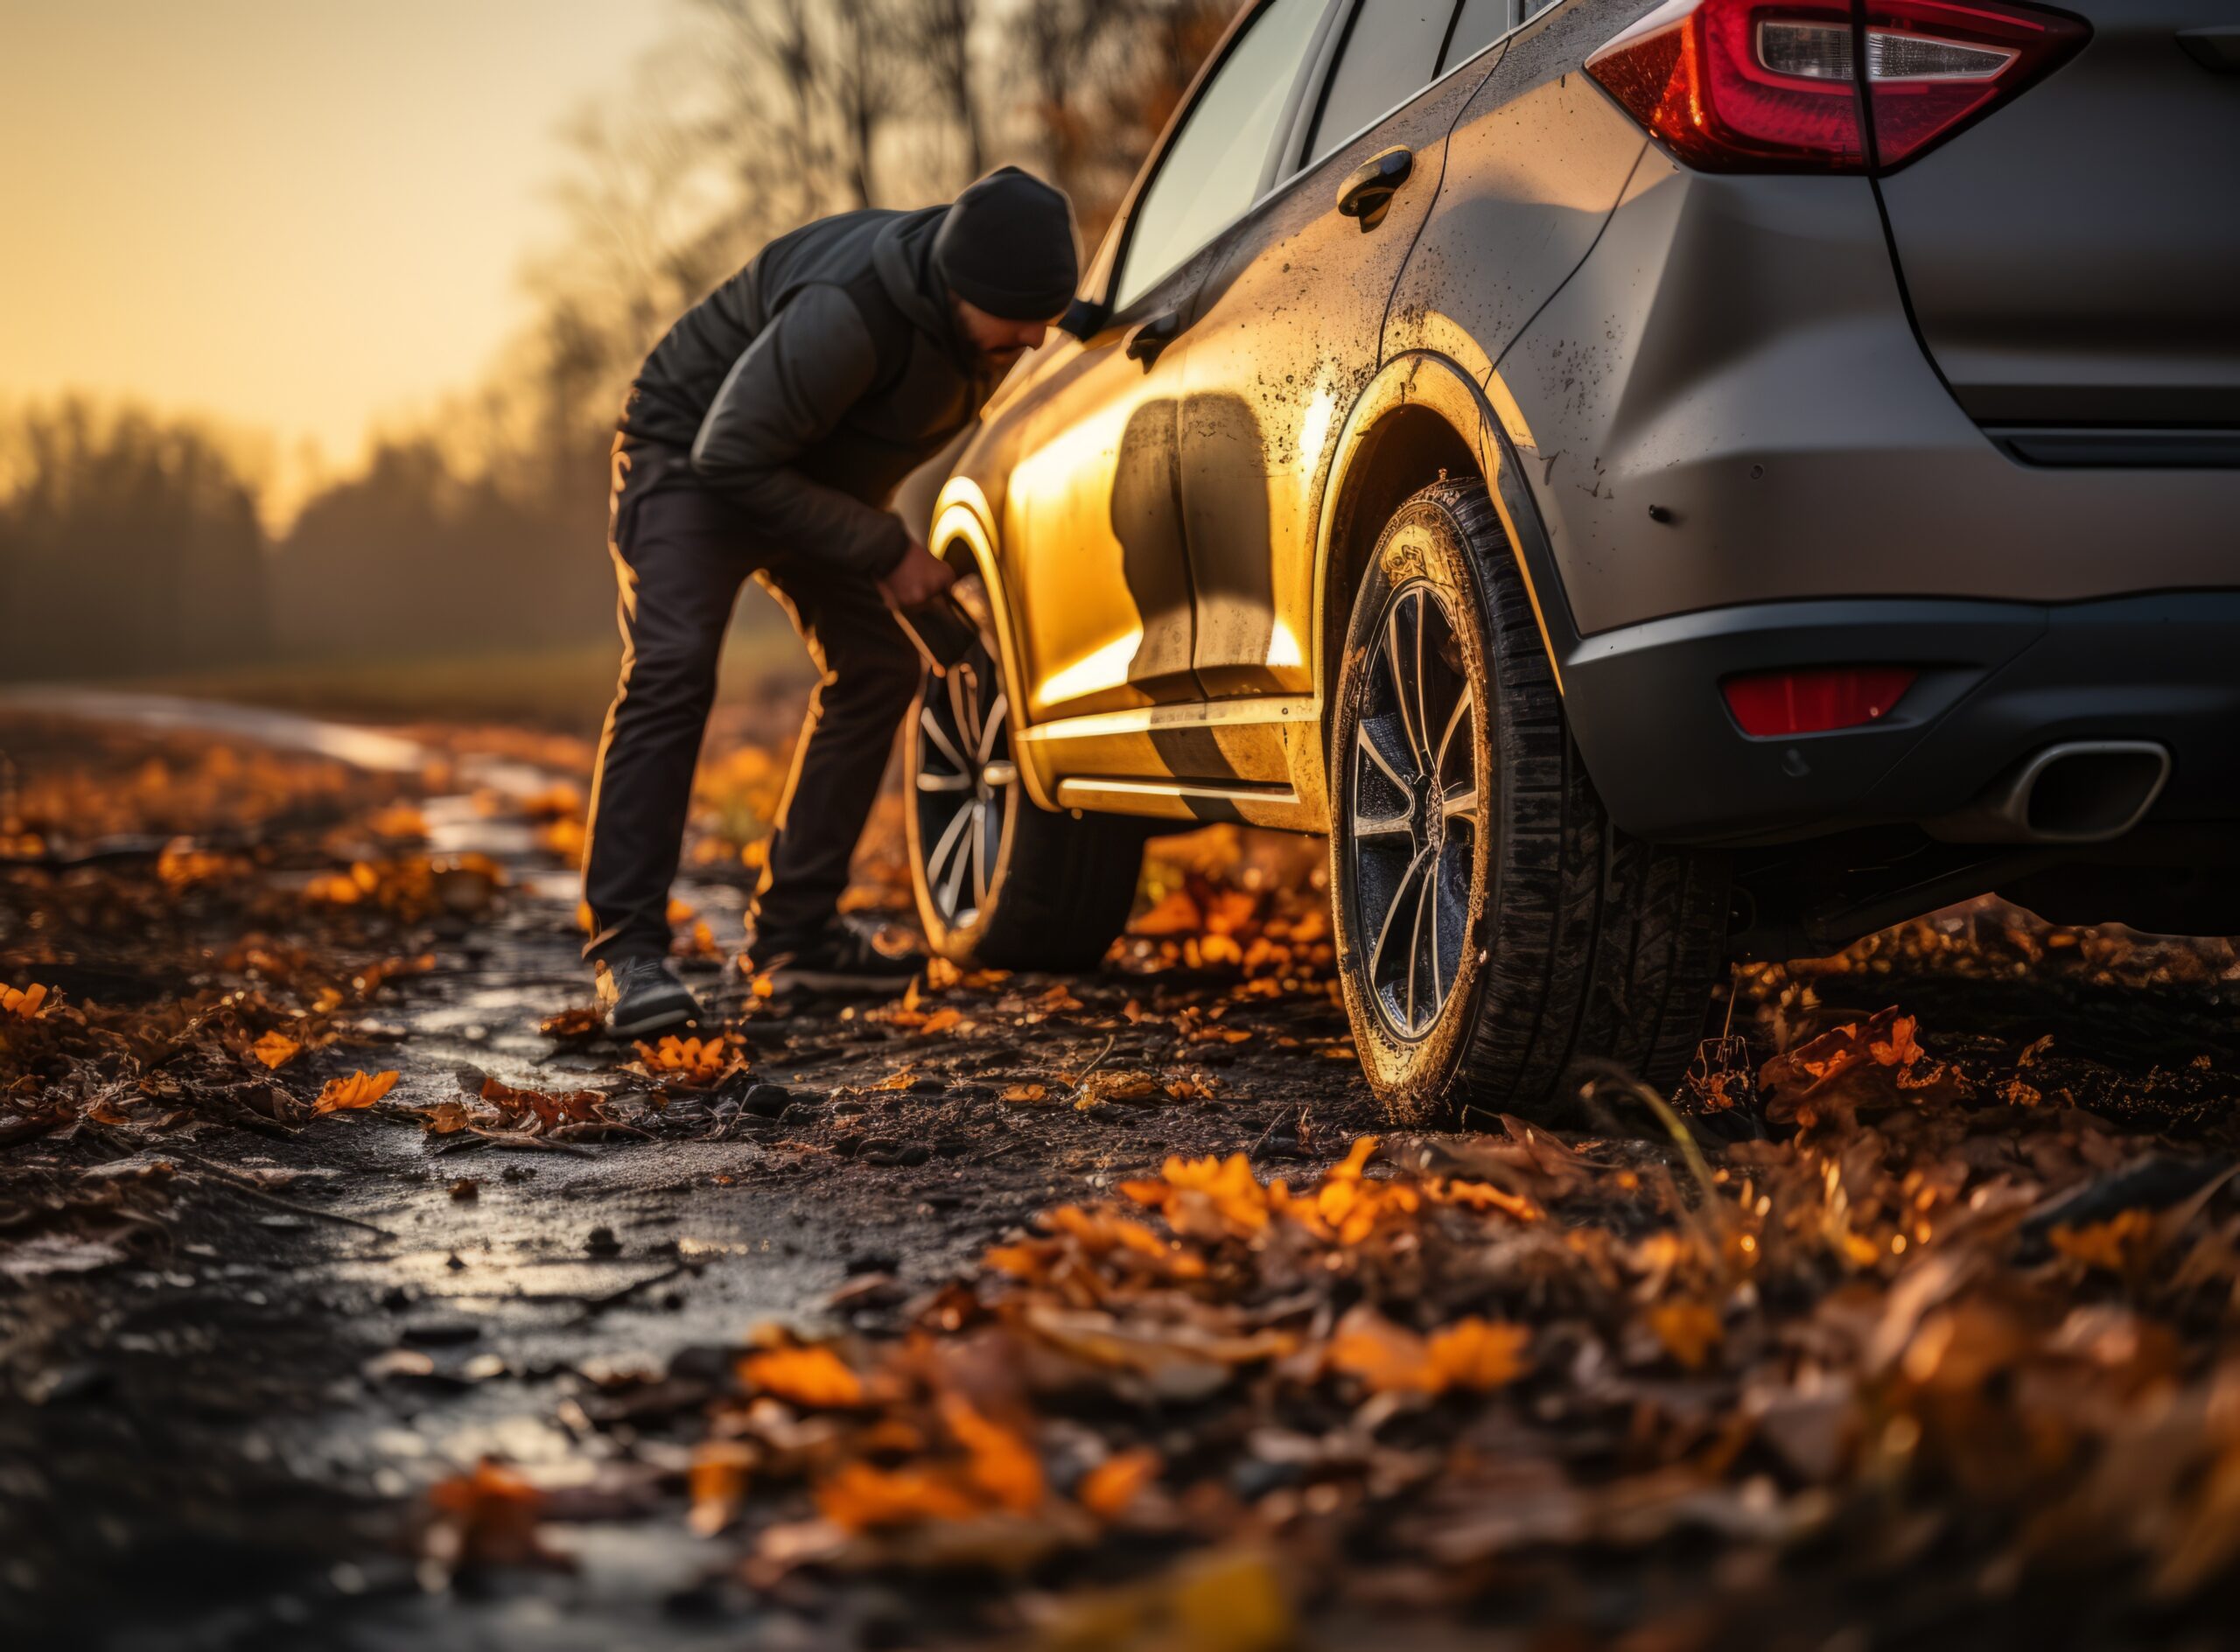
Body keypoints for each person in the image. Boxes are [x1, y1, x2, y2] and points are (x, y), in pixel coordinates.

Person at [580, 167, 1079, 1035]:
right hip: (689, 459)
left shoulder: (982, 315)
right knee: (673, 669)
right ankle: (628, 951)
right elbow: (730, 457)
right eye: (1019, 317)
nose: (1036, 338)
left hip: (795, 474)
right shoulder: (846, 311)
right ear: (959, 286)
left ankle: (794, 940)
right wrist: (886, 548)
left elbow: (832, 450)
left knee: (880, 664)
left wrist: (922, 600)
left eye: (1048, 314)